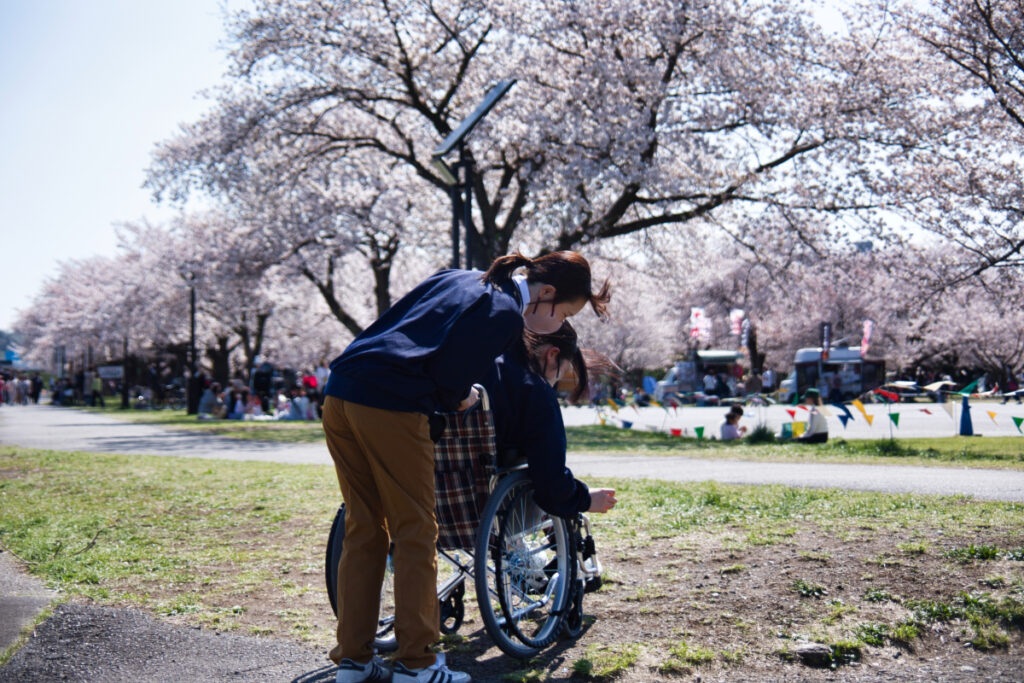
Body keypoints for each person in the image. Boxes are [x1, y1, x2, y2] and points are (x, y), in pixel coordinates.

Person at [322, 251, 610, 683]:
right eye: (565, 313)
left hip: (342, 391)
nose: (559, 325)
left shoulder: (459, 278)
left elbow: (400, 326)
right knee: (415, 531)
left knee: (365, 528)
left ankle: (354, 659)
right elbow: (451, 375)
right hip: (392, 403)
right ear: (546, 294)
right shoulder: (504, 314)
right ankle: (416, 664)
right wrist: (463, 398)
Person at [481, 322, 617, 519]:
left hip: (434, 503)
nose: (556, 381)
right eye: (561, 372)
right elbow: (551, 481)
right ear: (552, 355)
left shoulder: (472, 367)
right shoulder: (535, 390)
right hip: (499, 508)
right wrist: (584, 498)